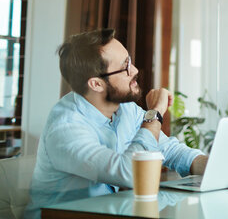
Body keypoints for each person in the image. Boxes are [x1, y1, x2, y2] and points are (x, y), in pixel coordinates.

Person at [27, 29, 207, 216]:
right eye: (125, 67)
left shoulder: (125, 109)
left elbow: (170, 150)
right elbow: (130, 173)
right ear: (96, 84)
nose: (135, 70)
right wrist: (154, 114)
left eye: (129, 60)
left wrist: (213, 167)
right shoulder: (65, 128)